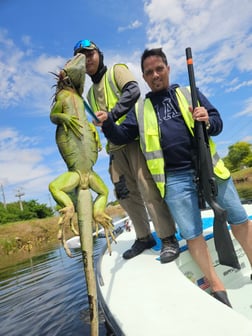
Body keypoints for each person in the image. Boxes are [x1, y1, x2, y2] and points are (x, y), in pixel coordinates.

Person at [95, 47, 252, 307]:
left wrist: (207, 119)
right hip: (175, 179)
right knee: (192, 234)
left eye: (159, 69)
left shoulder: (188, 92)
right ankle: (217, 287)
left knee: (239, 219)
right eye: (149, 72)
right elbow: (121, 136)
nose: (155, 75)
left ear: (167, 69)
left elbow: (217, 122)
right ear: (144, 78)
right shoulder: (141, 106)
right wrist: (108, 123)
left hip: (210, 169)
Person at [73, 40, 180, 263]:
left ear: (98, 54)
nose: (88, 59)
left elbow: (133, 91)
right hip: (115, 149)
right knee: (125, 195)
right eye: (81, 57)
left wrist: (111, 115)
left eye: (90, 53)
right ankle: (144, 237)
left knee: (147, 187)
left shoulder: (116, 71)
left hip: (135, 139)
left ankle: (168, 237)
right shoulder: (90, 93)